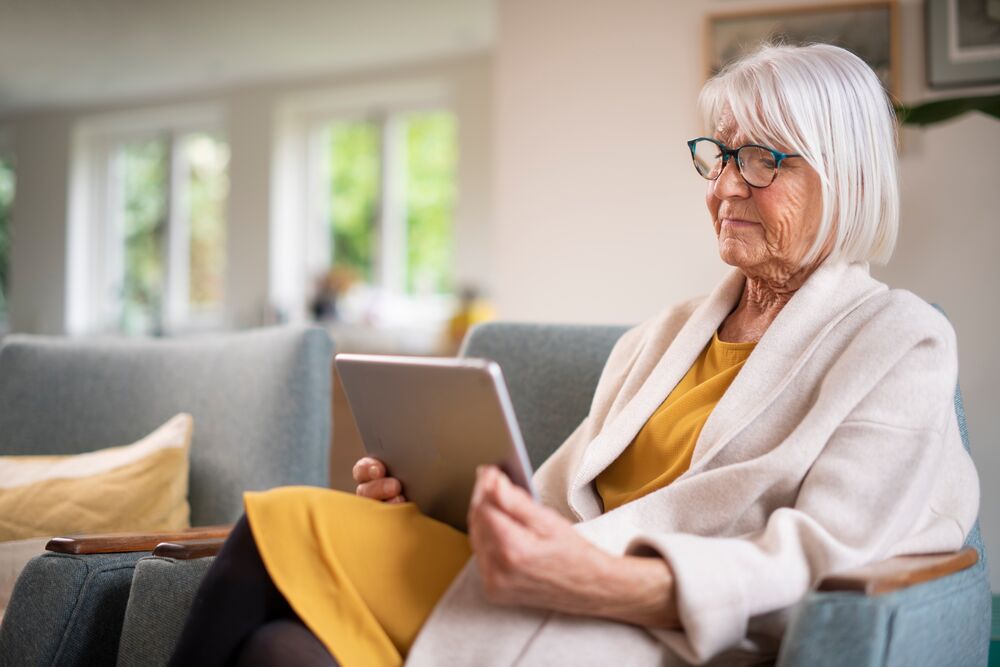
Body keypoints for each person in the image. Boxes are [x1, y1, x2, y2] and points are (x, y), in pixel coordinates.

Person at [168, 43, 980, 667]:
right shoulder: (659, 336)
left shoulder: (898, 342)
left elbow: (824, 555)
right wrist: (439, 499)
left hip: (654, 625)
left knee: (276, 585)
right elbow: (556, 501)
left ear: (844, 177)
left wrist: (608, 582)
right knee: (274, 591)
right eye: (721, 153)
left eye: (764, 159)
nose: (727, 185)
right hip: (541, 581)